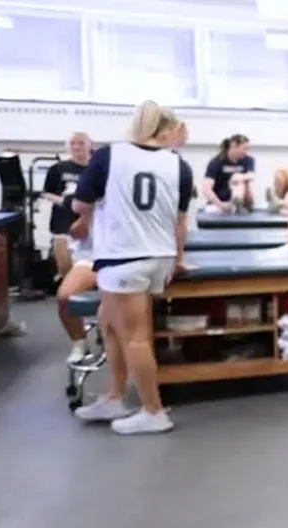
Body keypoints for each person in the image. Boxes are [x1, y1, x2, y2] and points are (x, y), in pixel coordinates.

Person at [70, 100, 193, 436]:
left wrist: (78, 207)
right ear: (166, 130)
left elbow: (81, 203)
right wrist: (178, 259)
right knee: (110, 325)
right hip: (156, 256)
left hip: (126, 256)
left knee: (135, 338)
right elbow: (180, 221)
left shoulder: (110, 156)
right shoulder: (178, 165)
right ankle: (114, 397)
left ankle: (154, 410)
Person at [41, 131, 93, 362]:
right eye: (73, 143)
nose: (77, 146)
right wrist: (65, 202)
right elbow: (47, 192)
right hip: (65, 225)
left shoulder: (97, 173)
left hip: (99, 240)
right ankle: (79, 341)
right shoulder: (59, 169)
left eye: (81, 143)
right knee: (67, 285)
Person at [202, 133, 253, 213]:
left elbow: (251, 175)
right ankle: (235, 205)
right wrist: (221, 204)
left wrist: (238, 177)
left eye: (247, 149)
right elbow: (206, 189)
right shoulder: (216, 162)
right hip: (219, 203)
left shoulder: (248, 160)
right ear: (234, 146)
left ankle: (238, 203)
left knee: (243, 180)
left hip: (242, 198)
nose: (246, 152)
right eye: (244, 148)